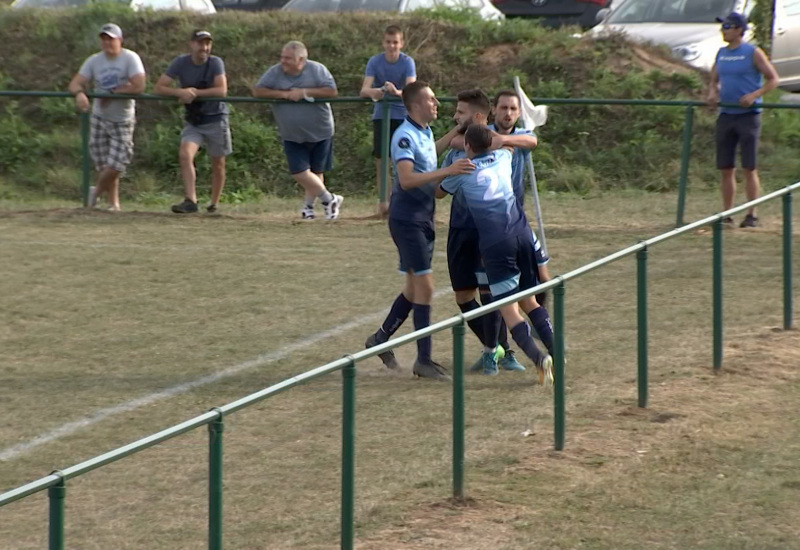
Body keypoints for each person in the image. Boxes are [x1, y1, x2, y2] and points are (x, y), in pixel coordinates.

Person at [364, 81, 474, 381]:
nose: (437, 103)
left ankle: (379, 338)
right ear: (415, 105)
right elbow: (408, 179)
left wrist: (456, 131)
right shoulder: (403, 135)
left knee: (414, 289)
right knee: (425, 287)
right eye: (431, 99)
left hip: (423, 219)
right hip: (407, 220)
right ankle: (423, 361)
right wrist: (449, 171)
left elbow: (432, 150)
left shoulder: (422, 132)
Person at [438, 124, 554, 385]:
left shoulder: (463, 171)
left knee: (509, 310)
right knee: (530, 301)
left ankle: (539, 359)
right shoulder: (503, 156)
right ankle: (557, 351)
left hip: (495, 243)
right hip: (522, 233)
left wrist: (452, 168)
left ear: (467, 146)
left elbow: (438, 193)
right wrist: (496, 140)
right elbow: (510, 146)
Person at [440, 89, 527, 374]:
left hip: (487, 231)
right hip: (459, 229)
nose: (455, 116)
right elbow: (440, 186)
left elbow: (521, 143)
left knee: (492, 291)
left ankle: (501, 352)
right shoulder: (458, 147)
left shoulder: (490, 144)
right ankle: (497, 348)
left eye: (461, 112)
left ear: (478, 117)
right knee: (464, 296)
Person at [254, 41, 343, 220]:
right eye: (282, 57)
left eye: (288, 58)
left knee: (316, 171)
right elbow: (258, 91)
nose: (283, 61)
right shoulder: (275, 72)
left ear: (301, 60)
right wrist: (284, 94)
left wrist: (304, 92)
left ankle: (309, 208)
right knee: (299, 171)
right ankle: (329, 199)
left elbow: (331, 91)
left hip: (320, 130)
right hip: (291, 133)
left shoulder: (318, 70)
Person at [707, 12, 778, 228]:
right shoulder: (720, 53)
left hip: (748, 116)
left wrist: (754, 96)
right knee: (726, 168)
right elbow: (713, 79)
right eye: (723, 27)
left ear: (739, 29)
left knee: (749, 167)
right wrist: (712, 93)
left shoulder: (752, 52)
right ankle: (727, 214)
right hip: (726, 115)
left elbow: (773, 79)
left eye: (727, 26)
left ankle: (751, 214)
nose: (724, 30)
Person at [68, 23, 146, 211]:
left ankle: (94, 193)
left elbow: (139, 85)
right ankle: (114, 203)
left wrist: (112, 94)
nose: (106, 42)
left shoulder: (130, 58)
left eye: (110, 39)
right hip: (99, 117)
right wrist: (79, 94)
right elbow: (75, 83)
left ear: (119, 40)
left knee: (117, 163)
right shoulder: (94, 61)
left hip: (122, 118)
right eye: (103, 39)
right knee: (104, 164)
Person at [154, 30, 231, 214]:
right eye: (200, 43)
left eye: (207, 44)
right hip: (194, 121)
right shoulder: (180, 62)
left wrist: (194, 93)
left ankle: (214, 203)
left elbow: (222, 90)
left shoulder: (215, 62)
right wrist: (179, 92)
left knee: (218, 162)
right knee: (185, 154)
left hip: (215, 118)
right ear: (192, 44)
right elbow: (159, 87)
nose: (204, 48)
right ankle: (191, 200)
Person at [359, 25, 417, 217]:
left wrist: (396, 92)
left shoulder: (408, 62)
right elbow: (364, 90)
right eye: (388, 42)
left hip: (403, 116)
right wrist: (376, 91)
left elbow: (411, 90)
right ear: (383, 43)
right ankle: (384, 203)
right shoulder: (375, 61)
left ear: (401, 43)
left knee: (405, 160)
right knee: (382, 160)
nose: (392, 46)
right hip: (381, 115)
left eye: (395, 42)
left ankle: (404, 202)